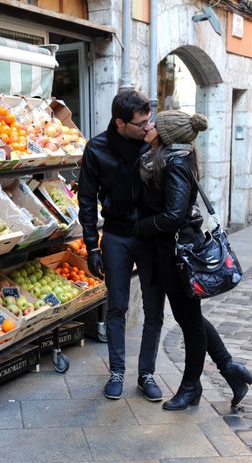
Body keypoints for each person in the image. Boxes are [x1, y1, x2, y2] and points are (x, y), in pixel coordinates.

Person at [133, 110, 252, 410]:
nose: (148, 126)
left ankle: (191, 387)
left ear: (165, 134)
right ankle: (229, 369)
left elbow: (174, 215)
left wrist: (140, 226)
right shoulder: (168, 158)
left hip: (177, 255)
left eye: (154, 124)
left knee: (189, 322)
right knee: (191, 318)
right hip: (171, 254)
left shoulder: (174, 163)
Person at [78, 89, 165, 402]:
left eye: (149, 120)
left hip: (152, 235)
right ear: (119, 122)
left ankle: (147, 374)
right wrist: (92, 246)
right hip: (116, 235)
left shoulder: (154, 143)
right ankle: (116, 372)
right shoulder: (97, 149)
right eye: (141, 123)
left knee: (154, 308)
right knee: (116, 306)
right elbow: (86, 200)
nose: (148, 126)